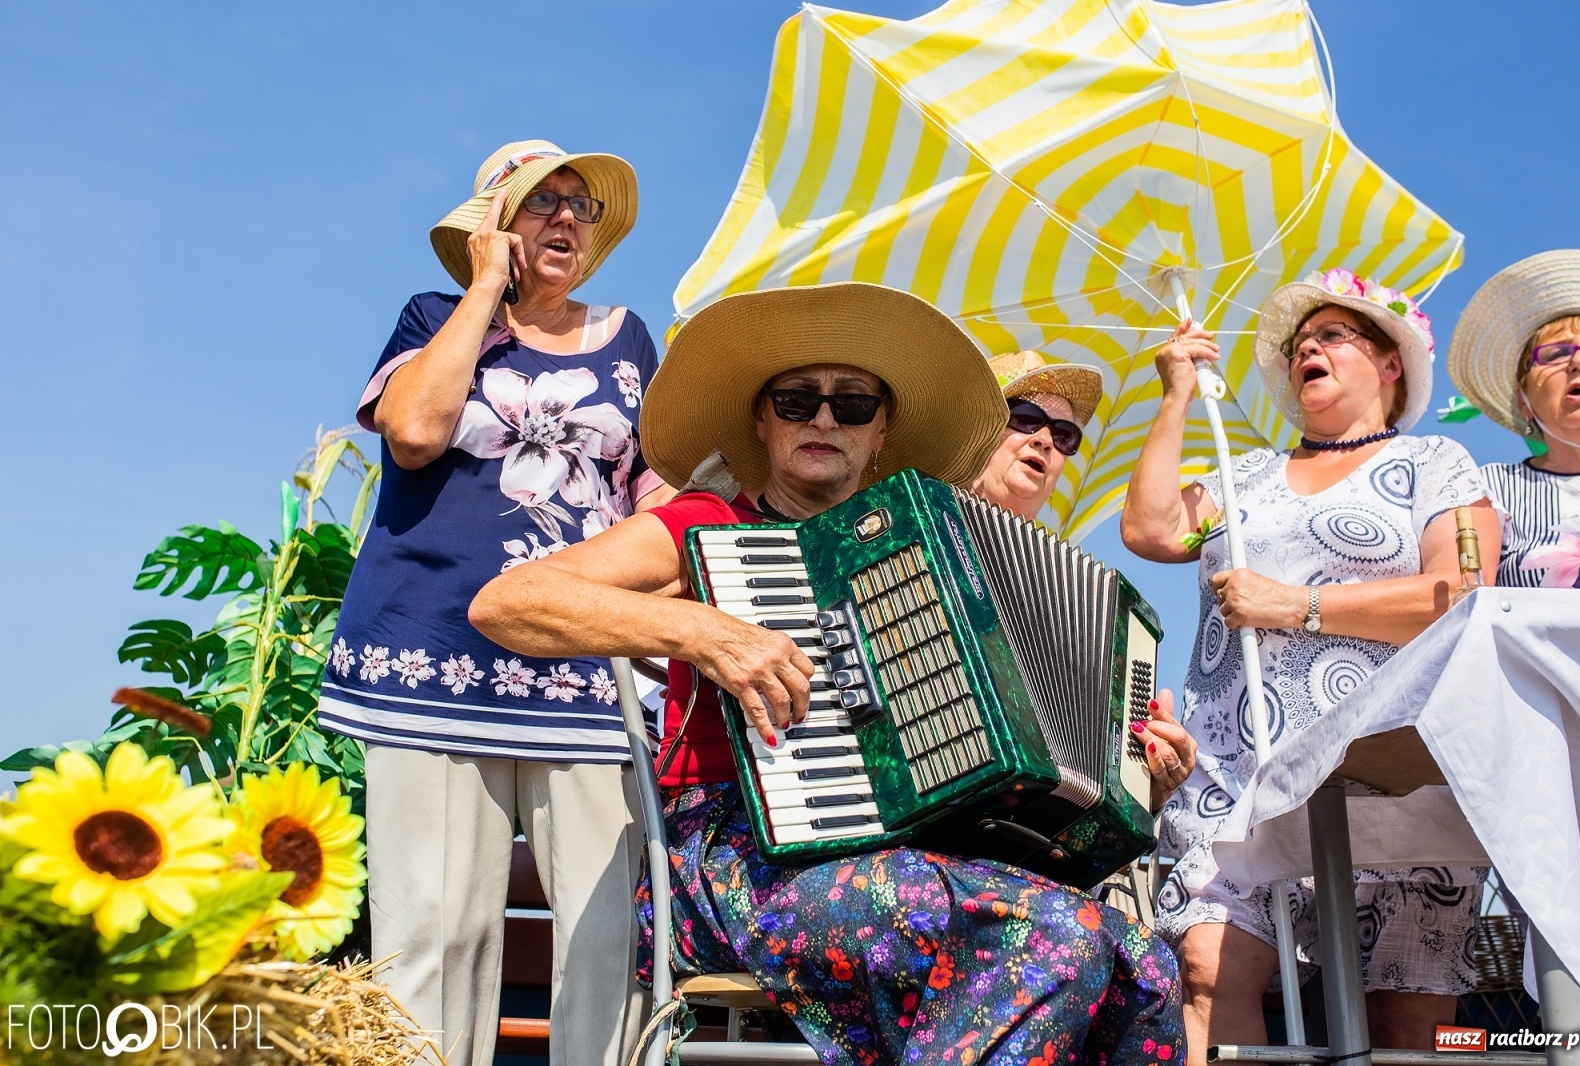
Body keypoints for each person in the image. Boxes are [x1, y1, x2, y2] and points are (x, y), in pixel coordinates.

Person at [470, 281, 1195, 1066]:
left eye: (851, 405)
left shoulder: (925, 556)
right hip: (730, 861)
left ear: (881, 431)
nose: (823, 418)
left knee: (1144, 966)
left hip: (907, 862)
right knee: (1050, 936)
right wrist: (701, 628)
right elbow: (510, 602)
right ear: (760, 419)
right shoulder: (709, 524)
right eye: (795, 401)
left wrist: (1144, 768)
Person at [317, 140, 671, 1066]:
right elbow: (417, 432)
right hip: (429, 655)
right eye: (538, 202)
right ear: (492, 229)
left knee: (606, 939)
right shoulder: (433, 319)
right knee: (432, 932)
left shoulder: (631, 338)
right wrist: (481, 295)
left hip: (586, 668)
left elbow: (656, 496)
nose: (564, 218)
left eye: (580, 206)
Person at [1119, 269, 1502, 1060]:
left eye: (1332, 336)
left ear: (1391, 363)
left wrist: (1297, 604)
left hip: (1392, 766)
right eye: (1300, 344)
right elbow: (1152, 528)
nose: (1308, 351)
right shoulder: (1245, 471)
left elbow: (1462, 590)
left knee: (1409, 1023)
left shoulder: (1437, 461)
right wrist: (1178, 395)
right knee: (1207, 968)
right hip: (1241, 773)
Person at [1448, 249, 1580, 587]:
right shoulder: (1491, 488)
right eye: (1556, 353)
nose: (1579, 362)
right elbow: (1468, 599)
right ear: (1524, 400)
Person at [971, 350, 1102, 522]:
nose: (1046, 440)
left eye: (1064, 435)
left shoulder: (1048, 550)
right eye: (1026, 418)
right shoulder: (924, 509)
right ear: (975, 434)